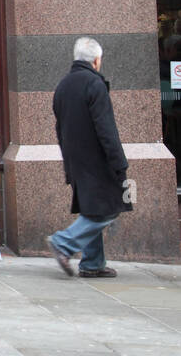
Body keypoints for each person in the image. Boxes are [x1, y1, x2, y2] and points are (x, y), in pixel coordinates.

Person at [47, 37, 132, 279]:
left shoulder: (63, 86)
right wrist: (119, 163)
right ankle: (63, 243)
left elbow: (59, 129)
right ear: (96, 60)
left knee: (92, 208)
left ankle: (92, 263)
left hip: (76, 160)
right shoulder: (95, 84)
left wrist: (68, 165)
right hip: (97, 160)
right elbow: (107, 129)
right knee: (109, 208)